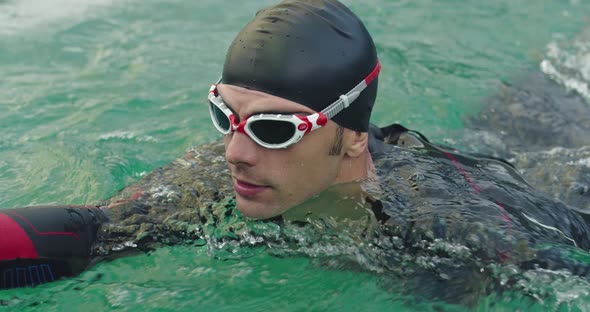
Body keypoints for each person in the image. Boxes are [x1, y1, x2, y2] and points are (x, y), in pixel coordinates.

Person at [2, 0, 590, 301]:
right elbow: (90, 231)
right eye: (225, 116)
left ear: (353, 134)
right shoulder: (203, 187)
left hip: (553, 175)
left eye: (274, 129)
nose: (234, 151)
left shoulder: (456, 229)